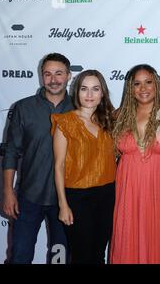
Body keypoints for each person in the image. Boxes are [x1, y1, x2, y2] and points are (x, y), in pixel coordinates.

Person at [1, 53, 73, 264]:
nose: (53, 79)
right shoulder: (23, 108)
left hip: (65, 201)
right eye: (47, 74)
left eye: (59, 73)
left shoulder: (80, 109)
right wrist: (7, 190)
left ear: (69, 76)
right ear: (42, 77)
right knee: (19, 257)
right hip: (28, 198)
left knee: (60, 258)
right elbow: (11, 151)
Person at [110, 64, 160, 264]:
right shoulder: (118, 116)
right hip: (129, 190)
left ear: (156, 85)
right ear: (130, 88)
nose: (143, 88)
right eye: (137, 83)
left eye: (148, 82)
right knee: (129, 235)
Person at [52, 69, 116, 264]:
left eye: (95, 89)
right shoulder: (65, 122)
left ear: (102, 93)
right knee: (81, 255)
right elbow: (59, 166)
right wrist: (63, 204)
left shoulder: (110, 121)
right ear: (76, 92)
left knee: (98, 254)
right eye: (84, 89)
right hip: (77, 197)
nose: (89, 95)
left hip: (107, 195)